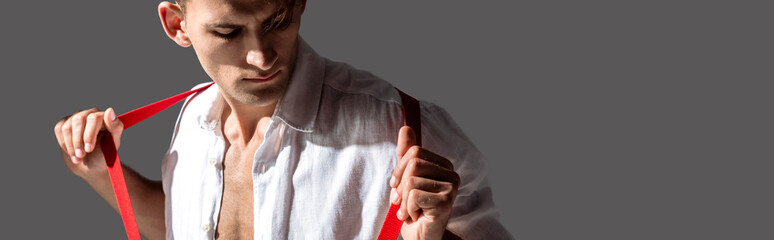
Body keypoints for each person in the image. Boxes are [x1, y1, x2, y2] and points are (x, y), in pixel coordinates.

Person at [53, 0, 512, 239]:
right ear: (177, 25)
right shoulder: (192, 121)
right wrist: (101, 173)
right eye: (229, 31)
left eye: (278, 20)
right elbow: (180, 227)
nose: (261, 55)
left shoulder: (401, 129)